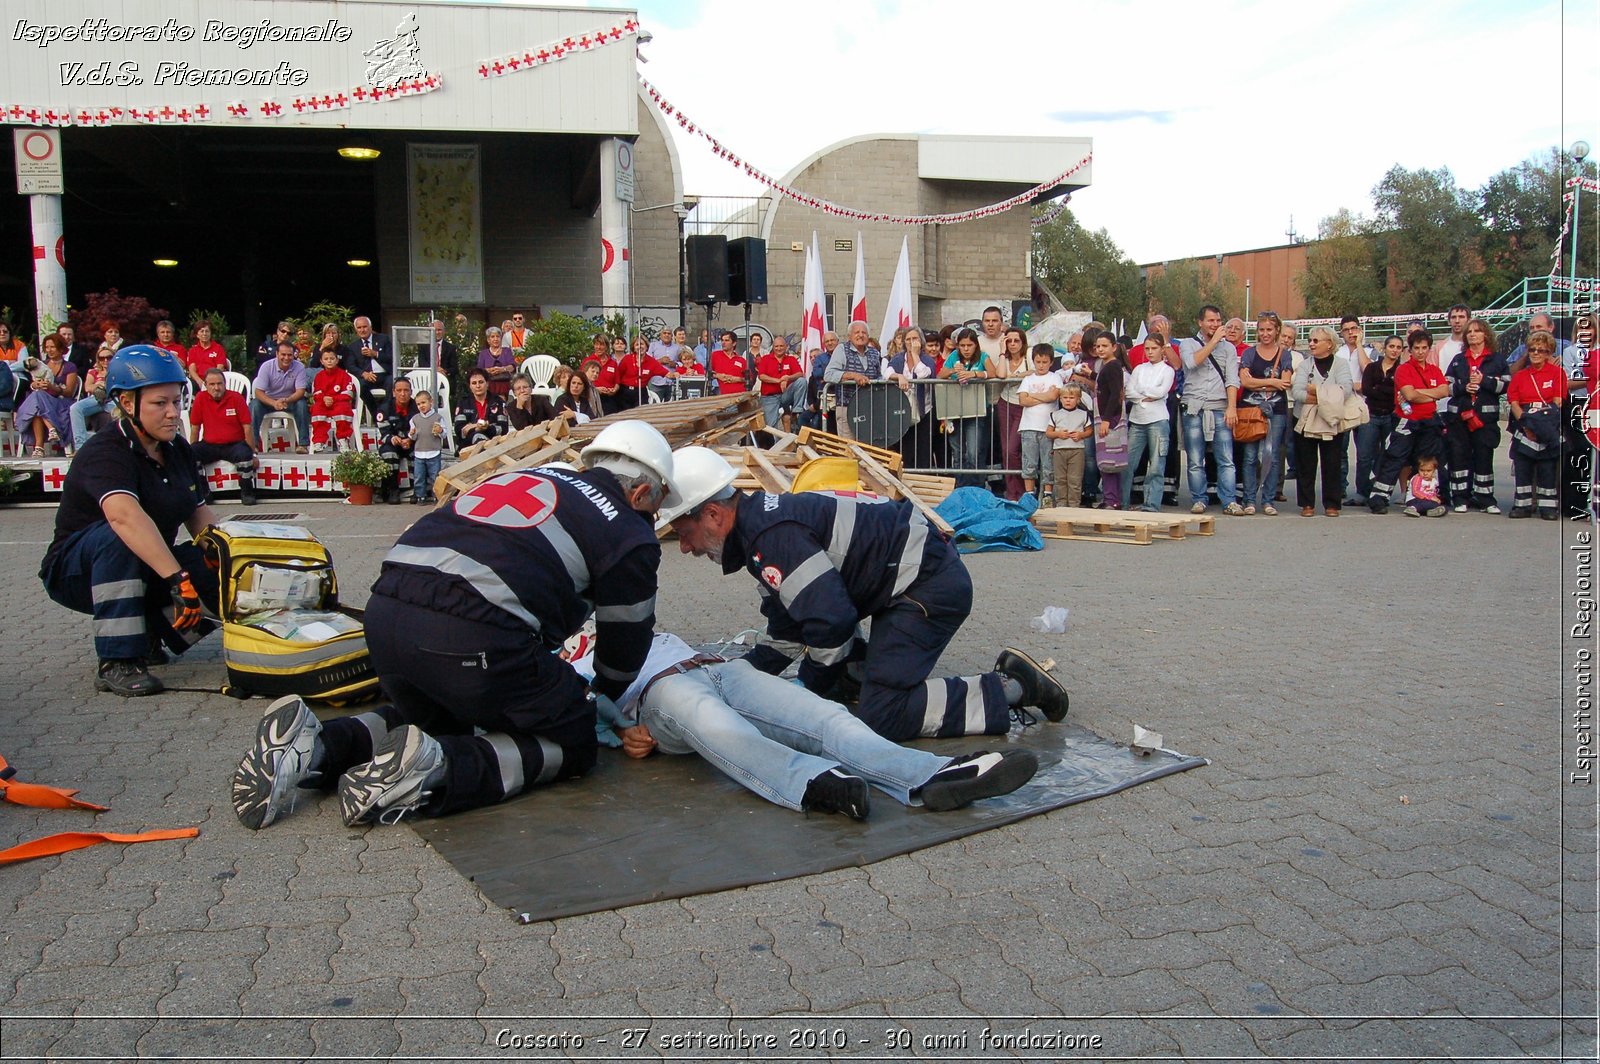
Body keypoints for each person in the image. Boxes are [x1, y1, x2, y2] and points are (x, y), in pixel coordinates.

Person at [229, 422, 678, 829]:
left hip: (385, 619)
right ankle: (435, 768)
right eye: (656, 505)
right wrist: (598, 702)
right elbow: (625, 640)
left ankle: (318, 745)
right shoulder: (628, 530)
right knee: (573, 738)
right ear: (640, 493)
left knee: (438, 715)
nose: (653, 519)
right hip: (471, 635)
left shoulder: (527, 475)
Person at [662, 446, 1069, 744]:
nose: (684, 548)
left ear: (713, 514)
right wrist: (738, 678)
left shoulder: (770, 537)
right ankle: (871, 681)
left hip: (928, 588)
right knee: (848, 681)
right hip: (906, 583)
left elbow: (832, 624)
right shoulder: (760, 531)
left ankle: (1014, 686)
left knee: (882, 716)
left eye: (683, 534)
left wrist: (806, 693)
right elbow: (789, 626)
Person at [576, 631, 1039, 819]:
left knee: (822, 714)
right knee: (718, 727)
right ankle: (816, 785)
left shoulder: (617, 597)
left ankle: (930, 775)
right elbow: (574, 706)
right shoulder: (555, 652)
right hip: (658, 695)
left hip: (718, 666)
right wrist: (616, 732)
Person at [39, 346, 219, 697]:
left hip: (141, 562)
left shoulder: (178, 448)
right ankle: (117, 661)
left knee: (212, 560)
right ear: (126, 402)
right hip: (76, 570)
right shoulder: (106, 451)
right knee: (119, 538)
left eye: (176, 401)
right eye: (159, 403)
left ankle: (152, 633)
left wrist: (233, 560)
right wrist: (178, 580)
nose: (172, 413)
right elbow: (125, 518)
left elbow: (199, 517)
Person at [1369, 329, 1451, 515]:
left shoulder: (1434, 370)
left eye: (1424, 348)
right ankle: (1379, 498)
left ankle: (1420, 498)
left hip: (1429, 422)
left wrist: (1421, 393)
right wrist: (1431, 393)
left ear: (1429, 349)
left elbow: (1444, 392)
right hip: (1406, 421)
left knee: (1425, 462)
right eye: (1417, 348)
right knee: (1394, 459)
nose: (1420, 351)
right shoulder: (1403, 369)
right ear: (1410, 350)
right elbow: (1409, 395)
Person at [1177, 306, 1242, 515]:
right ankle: (1199, 499)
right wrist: (1213, 342)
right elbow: (1191, 362)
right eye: (1210, 321)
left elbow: (1232, 379)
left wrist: (1232, 407)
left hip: (1219, 406)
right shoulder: (1188, 344)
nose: (1215, 325)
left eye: (1218, 321)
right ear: (1200, 322)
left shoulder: (1229, 349)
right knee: (1196, 458)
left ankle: (1229, 501)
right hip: (1194, 407)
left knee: (1226, 458)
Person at [1443, 318, 1509, 513]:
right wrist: (1464, 387)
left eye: (1477, 331)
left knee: (1484, 457)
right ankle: (1460, 498)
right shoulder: (1458, 359)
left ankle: (1485, 499)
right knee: (1459, 457)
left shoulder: (1497, 359)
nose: (1472, 334)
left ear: (1486, 335)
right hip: (1459, 418)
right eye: (1469, 331)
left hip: (1485, 420)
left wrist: (1485, 381)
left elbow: (1506, 385)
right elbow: (1446, 387)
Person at [1291, 326, 1354, 517]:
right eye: (1310, 340)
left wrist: (1315, 391)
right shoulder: (1304, 365)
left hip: (1331, 420)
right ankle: (1307, 504)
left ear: (1329, 344)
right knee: (1305, 464)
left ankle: (1332, 504)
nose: (1311, 343)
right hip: (1305, 419)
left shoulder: (1341, 364)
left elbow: (1346, 390)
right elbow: (1298, 392)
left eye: (1316, 341)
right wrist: (1327, 395)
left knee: (1332, 462)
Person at [1507, 329, 1565, 520]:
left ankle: (1548, 507)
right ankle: (1522, 505)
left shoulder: (1558, 373)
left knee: (1547, 468)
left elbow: (1558, 401)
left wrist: (1542, 426)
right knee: (1522, 467)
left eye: (1542, 350)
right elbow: (1514, 402)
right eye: (1533, 350)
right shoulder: (1520, 376)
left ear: (1550, 352)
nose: (1536, 354)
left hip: (1548, 423)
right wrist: (1525, 425)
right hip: (1525, 423)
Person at [1237, 313, 1292, 515]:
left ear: (1277, 330)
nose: (1265, 333)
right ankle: (1249, 499)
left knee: (1273, 455)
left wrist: (1259, 382)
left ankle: (1268, 500)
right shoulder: (1249, 354)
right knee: (1250, 456)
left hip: (1276, 410)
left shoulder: (1284, 354)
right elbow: (1245, 382)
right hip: (1251, 410)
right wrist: (1272, 382)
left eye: (1269, 329)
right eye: (1261, 330)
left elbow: (1285, 383)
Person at [189, 367, 259, 506]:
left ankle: (246, 492)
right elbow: (195, 428)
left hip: (235, 445)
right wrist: (192, 448)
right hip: (210, 444)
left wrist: (253, 455)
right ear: (206, 385)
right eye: (212, 384)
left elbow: (247, 427)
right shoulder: (200, 399)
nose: (216, 388)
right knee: (190, 454)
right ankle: (204, 492)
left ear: (224, 384)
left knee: (245, 456)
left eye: (219, 384)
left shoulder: (236, 398)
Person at [937, 328, 996, 487]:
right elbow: (940, 374)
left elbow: (993, 373)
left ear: (975, 345)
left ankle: (976, 486)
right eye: (962, 345)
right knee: (957, 451)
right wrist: (952, 371)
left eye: (969, 345)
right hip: (955, 410)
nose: (966, 349)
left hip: (976, 410)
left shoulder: (983, 356)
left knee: (973, 451)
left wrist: (974, 374)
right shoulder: (953, 357)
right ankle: (960, 486)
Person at [1126, 333, 1176, 512]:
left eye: (1154, 348)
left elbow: (1161, 392)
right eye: (1147, 348)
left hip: (1158, 420)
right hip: (1137, 420)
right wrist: (1142, 397)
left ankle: (1151, 504)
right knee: (1128, 464)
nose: (1150, 352)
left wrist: (1141, 391)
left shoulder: (1167, 370)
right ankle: (1123, 503)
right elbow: (1129, 392)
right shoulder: (1139, 369)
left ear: (1162, 349)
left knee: (1156, 465)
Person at [1355, 335, 1404, 507]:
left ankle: (1380, 492)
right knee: (1364, 456)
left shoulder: (1402, 370)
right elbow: (1367, 389)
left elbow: (1398, 392)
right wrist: (1386, 389)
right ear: (1385, 348)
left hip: (1392, 416)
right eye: (1392, 346)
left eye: (1398, 347)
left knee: (1387, 456)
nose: (1395, 350)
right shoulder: (1372, 368)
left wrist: (1380, 388)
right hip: (1371, 415)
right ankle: (1362, 492)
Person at [16, 334, 79, 458]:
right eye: (47, 347)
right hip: (42, 400)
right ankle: (51, 431)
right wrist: (34, 384)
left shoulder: (70, 366)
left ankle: (39, 446)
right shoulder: (40, 364)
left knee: (37, 401)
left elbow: (70, 392)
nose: (49, 350)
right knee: (38, 399)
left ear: (61, 348)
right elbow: (32, 383)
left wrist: (52, 387)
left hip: (61, 402)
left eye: (53, 347)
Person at [886, 329, 940, 469]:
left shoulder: (927, 359)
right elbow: (887, 373)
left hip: (924, 411)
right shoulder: (898, 359)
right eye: (908, 339)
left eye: (915, 338)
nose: (911, 342)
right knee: (905, 448)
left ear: (921, 341)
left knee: (923, 449)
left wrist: (915, 354)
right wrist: (899, 376)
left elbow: (923, 374)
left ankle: (924, 479)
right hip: (903, 410)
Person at [1015, 343, 1061, 503]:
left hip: (1048, 426)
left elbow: (1053, 396)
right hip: (1028, 426)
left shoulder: (1055, 377)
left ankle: (1048, 494)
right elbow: (1022, 400)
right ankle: (1029, 493)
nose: (1041, 365)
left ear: (1051, 362)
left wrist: (1033, 396)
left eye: (1044, 362)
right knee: (1029, 461)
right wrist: (1044, 395)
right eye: (1038, 362)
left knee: (1048, 461)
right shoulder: (1028, 379)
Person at [992, 326, 1033, 501]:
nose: (1013, 344)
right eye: (1010, 341)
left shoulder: (1029, 356)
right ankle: (1012, 492)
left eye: (1017, 340)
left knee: (1013, 449)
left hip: (1024, 405)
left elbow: (1035, 371)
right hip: (1005, 403)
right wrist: (1002, 352)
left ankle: (1023, 489)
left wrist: (1018, 375)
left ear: (1023, 342)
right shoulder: (1004, 358)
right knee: (1005, 449)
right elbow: (1001, 375)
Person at [822, 321, 879, 441]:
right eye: (857, 332)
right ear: (849, 336)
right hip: (846, 407)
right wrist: (853, 376)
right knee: (849, 448)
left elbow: (879, 376)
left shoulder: (874, 353)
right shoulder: (842, 349)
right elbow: (828, 374)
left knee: (869, 448)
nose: (860, 335)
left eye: (864, 332)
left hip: (870, 407)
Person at [251, 340, 310, 452]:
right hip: (269, 400)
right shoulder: (266, 366)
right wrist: (274, 403)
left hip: (290, 400)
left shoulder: (299, 367)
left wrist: (287, 400)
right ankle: (253, 444)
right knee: (254, 405)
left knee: (302, 404)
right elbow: (258, 392)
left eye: (289, 355)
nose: (286, 358)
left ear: (294, 355)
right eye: (283, 355)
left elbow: (300, 391)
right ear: (277, 354)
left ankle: (303, 444)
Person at [1047, 382, 1092, 507]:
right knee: (1060, 479)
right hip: (1059, 450)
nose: (1068, 401)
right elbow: (1048, 432)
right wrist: (1058, 434)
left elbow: (1089, 431)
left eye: (1071, 398)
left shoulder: (1083, 414)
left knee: (1075, 479)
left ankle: (1074, 505)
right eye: (1065, 398)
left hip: (1077, 450)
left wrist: (1080, 435)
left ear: (1078, 400)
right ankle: (1061, 504)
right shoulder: (1055, 415)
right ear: (1060, 399)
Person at [374, 376, 417, 504]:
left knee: (420, 452)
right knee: (388, 452)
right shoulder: (384, 409)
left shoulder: (418, 407)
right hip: (393, 444)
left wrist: (410, 439)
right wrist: (393, 438)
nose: (403, 394)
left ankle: (417, 490)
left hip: (412, 443)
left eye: (406, 390)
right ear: (393, 392)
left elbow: (423, 429)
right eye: (399, 390)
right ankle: (393, 490)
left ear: (411, 391)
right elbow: (383, 432)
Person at [309, 346, 357, 454]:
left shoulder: (344, 375)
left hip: (339, 403)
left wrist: (333, 399)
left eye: (332, 358)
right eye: (326, 359)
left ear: (337, 360)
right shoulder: (319, 376)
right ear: (321, 361)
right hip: (323, 403)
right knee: (316, 409)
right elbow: (316, 393)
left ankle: (343, 440)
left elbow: (348, 394)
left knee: (343, 409)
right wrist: (324, 398)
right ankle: (319, 441)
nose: (329, 361)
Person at [70, 345, 117, 450]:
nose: (105, 360)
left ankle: (121, 443)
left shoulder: (119, 371)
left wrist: (106, 385)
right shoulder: (93, 372)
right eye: (101, 358)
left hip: (113, 398)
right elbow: (87, 387)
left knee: (121, 412)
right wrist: (97, 385)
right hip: (96, 398)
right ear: (98, 360)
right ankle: (80, 446)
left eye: (108, 357)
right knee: (75, 408)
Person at [757, 334, 806, 431]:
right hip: (769, 397)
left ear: (786, 347)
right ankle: (776, 444)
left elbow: (800, 374)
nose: (779, 348)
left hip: (785, 394)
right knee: (770, 427)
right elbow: (761, 376)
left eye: (781, 346)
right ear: (773, 347)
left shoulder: (791, 359)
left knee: (802, 381)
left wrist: (788, 378)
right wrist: (779, 381)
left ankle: (796, 411)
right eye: (776, 346)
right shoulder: (766, 359)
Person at [408, 390, 446, 505]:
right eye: (418, 404)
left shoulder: (438, 418)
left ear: (431, 402)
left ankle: (437, 495)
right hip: (419, 452)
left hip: (434, 451)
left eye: (423, 403)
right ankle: (421, 496)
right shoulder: (414, 419)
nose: (421, 406)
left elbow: (444, 434)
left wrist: (440, 431)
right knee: (419, 476)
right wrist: (411, 433)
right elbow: (412, 437)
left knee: (435, 476)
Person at [454, 368, 507, 448]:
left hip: (494, 443)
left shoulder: (498, 402)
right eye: (474, 383)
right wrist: (476, 428)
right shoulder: (463, 403)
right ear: (470, 386)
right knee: (477, 435)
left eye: (481, 382)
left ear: (487, 384)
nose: (478, 386)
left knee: (479, 436)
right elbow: (459, 430)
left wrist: (486, 428)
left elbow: (503, 429)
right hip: (468, 445)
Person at [185, 320, 229, 392]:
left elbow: (220, 368)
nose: (204, 334)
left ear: (210, 333)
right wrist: (200, 382)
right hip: (198, 381)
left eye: (207, 331)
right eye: (202, 331)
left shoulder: (218, 348)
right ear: (197, 335)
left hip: (214, 381)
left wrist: (209, 382)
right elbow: (192, 370)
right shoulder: (193, 350)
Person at [476, 327, 516, 398]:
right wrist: (489, 370)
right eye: (492, 337)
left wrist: (502, 369)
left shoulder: (507, 351)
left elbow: (512, 367)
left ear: (501, 338)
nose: (495, 339)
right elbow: (479, 370)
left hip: (504, 382)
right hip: (489, 383)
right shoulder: (483, 353)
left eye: (498, 336)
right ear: (488, 340)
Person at [710, 331, 748, 396]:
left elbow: (749, 379)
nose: (723, 343)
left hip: (740, 395)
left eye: (727, 340)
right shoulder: (715, 355)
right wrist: (718, 376)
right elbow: (707, 373)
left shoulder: (741, 360)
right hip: (723, 395)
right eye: (722, 340)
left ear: (734, 343)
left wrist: (737, 379)